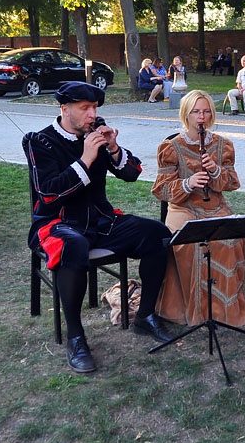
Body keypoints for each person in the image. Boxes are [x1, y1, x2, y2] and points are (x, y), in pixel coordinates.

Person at [22, 82, 173, 373]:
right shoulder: (39, 141)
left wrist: (113, 148)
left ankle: (145, 315)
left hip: (101, 220)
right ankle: (76, 337)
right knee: (73, 245)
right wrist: (86, 157)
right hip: (57, 222)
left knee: (157, 233)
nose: (93, 115)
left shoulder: (94, 135)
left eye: (95, 108)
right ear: (65, 109)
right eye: (85, 108)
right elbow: (48, 194)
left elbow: (131, 174)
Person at [152, 90, 245, 327]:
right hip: (182, 208)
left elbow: (232, 183)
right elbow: (161, 190)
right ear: (186, 115)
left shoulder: (223, 145)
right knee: (192, 243)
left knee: (230, 240)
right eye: (196, 112)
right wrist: (188, 183)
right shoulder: (171, 147)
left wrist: (215, 170)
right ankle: (191, 309)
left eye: (206, 111)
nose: (201, 117)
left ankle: (223, 312)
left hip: (215, 207)